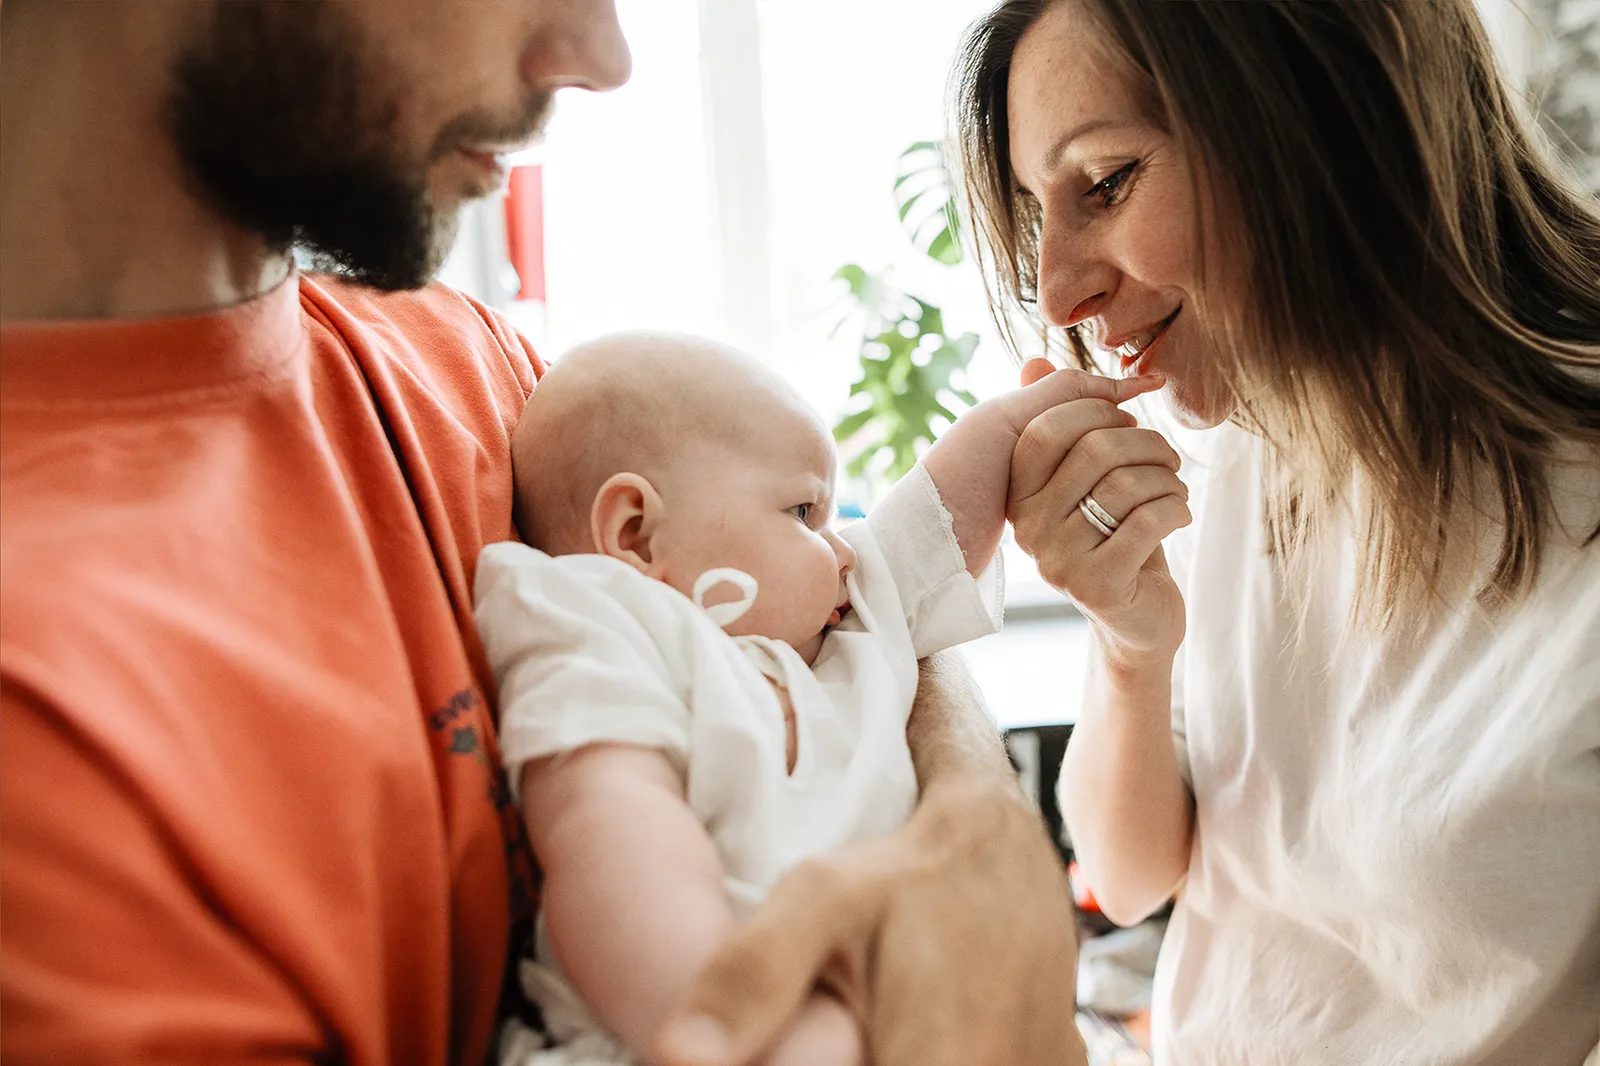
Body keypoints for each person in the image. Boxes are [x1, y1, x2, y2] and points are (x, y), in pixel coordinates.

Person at [0, 3, 1090, 1065]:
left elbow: (854, 616)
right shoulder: (41, 724)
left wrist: (975, 826)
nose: (603, 57)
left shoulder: (477, 367)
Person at [952, 0, 1600, 1063]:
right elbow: (1126, 877)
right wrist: (1130, 640)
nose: (1059, 292)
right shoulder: (1232, 438)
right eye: (1039, 215)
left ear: (1322, 106)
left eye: (1107, 182)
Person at [473, 332, 1165, 1066]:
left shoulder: (842, 637)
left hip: (900, 1006)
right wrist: (730, 1019)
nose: (842, 549)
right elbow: (613, 848)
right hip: (684, 1028)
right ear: (637, 535)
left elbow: (930, 525)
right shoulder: (608, 626)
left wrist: (1021, 424)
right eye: (804, 512)